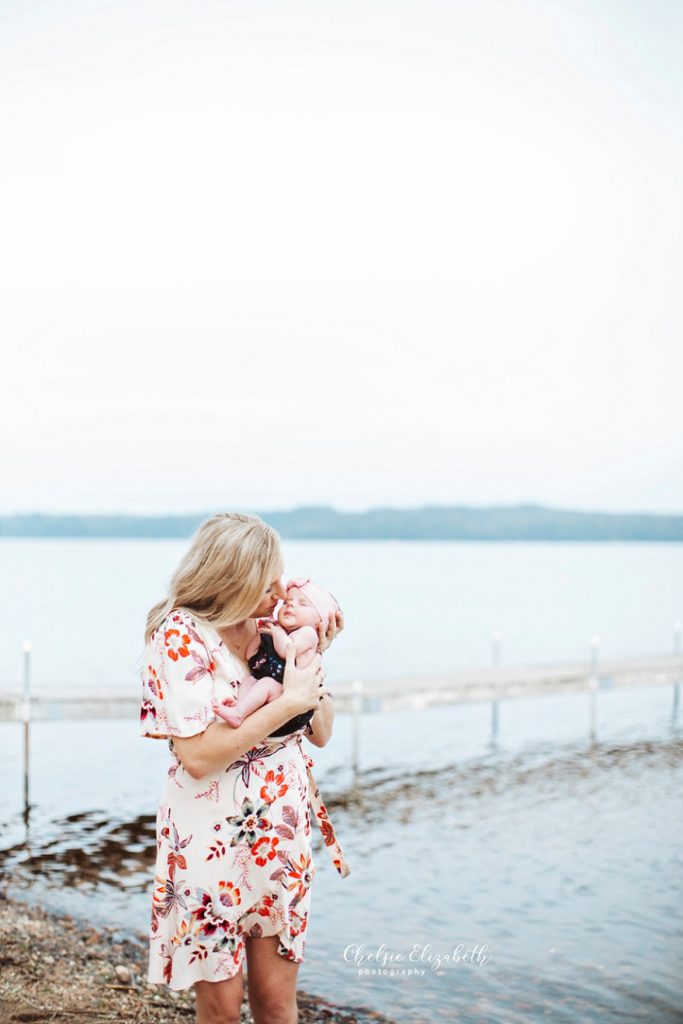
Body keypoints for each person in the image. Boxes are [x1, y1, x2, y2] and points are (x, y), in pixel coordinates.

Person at [139, 513, 349, 1024]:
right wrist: (283, 704)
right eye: (268, 580)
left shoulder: (271, 630)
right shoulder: (180, 636)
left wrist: (313, 650)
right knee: (222, 1008)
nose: (281, 590)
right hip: (208, 840)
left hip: (280, 835)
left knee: (277, 1006)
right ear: (231, 578)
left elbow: (320, 732)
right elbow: (199, 754)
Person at [210, 577, 341, 737]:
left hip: (291, 704)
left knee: (266, 684)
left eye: (303, 603)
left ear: (320, 621)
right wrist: (261, 638)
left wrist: (276, 632)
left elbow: (288, 649)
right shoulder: (273, 629)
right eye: (287, 602)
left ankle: (239, 713)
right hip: (278, 700)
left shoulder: (308, 634)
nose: (290, 604)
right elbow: (251, 654)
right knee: (251, 681)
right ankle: (241, 706)